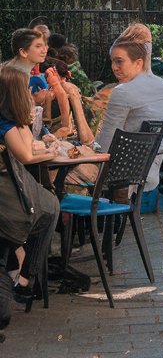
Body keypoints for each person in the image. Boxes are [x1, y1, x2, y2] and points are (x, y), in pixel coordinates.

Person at [0, 64, 60, 303]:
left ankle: (25, 275)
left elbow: (28, 144)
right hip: (9, 201)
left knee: (49, 206)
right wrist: (50, 153)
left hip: (11, 196)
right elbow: (25, 154)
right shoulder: (5, 125)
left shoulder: (8, 121)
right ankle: (26, 279)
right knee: (50, 207)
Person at [92, 38, 163, 189]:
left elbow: (104, 146)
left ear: (138, 63)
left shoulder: (122, 92)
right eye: (112, 61)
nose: (114, 67)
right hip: (152, 169)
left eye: (119, 61)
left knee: (58, 174)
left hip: (119, 174)